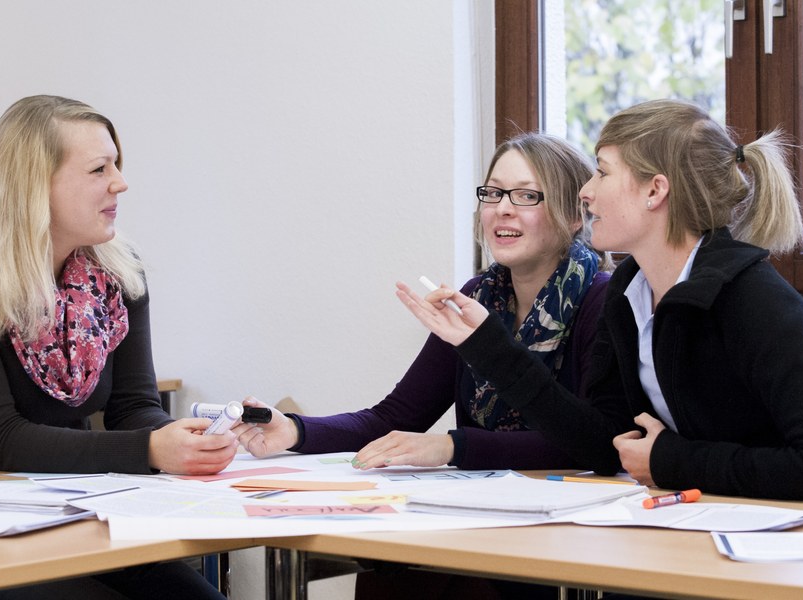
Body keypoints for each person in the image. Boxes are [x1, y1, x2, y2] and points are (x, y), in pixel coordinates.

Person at [397, 99, 803, 501]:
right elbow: (601, 442)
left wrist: (671, 460)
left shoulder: (755, 299)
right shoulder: (628, 292)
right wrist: (489, 346)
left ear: (655, 190)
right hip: (728, 521)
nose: (586, 192)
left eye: (602, 172)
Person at [235, 132, 609, 599]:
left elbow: (590, 446)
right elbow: (393, 419)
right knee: (390, 573)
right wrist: (293, 431)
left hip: (568, 533)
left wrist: (451, 447)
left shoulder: (602, 300)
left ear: (575, 216)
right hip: (483, 520)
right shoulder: (478, 296)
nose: (503, 209)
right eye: (492, 193)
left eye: (527, 195)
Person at [0, 95, 232, 599]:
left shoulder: (118, 274)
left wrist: (186, 438)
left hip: (77, 516)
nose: (120, 182)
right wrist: (151, 449)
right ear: (34, 185)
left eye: (117, 164)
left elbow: (134, 408)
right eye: (99, 168)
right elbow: (1, 440)